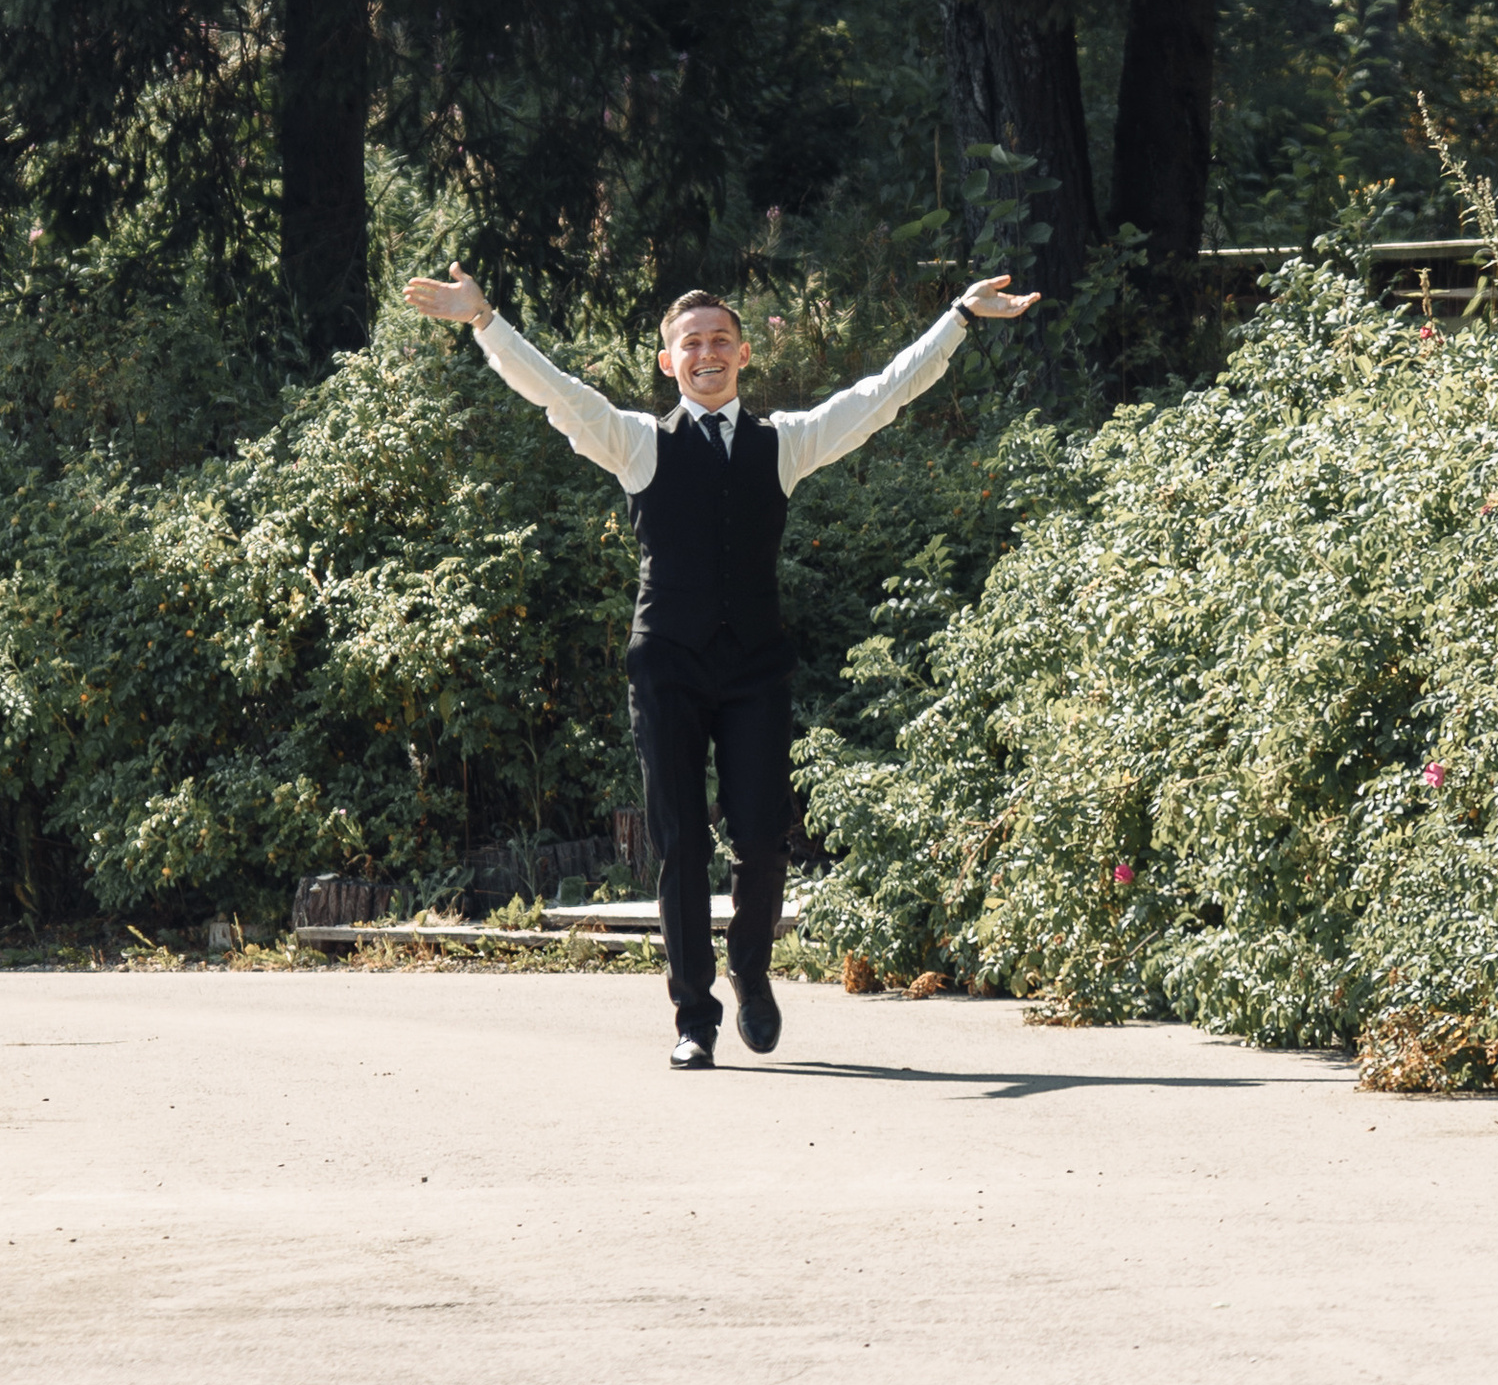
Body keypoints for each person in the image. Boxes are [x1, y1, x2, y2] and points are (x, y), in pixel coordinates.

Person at [398, 257, 1041, 1067]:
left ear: (743, 355)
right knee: (680, 845)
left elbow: (879, 397)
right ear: (668, 361)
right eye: (690, 342)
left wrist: (959, 316)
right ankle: (693, 1018)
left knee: (764, 839)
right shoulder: (637, 442)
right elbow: (556, 390)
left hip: (755, 669)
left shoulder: (786, 443)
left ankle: (752, 970)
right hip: (666, 662)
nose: (707, 352)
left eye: (721, 341)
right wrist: (486, 320)